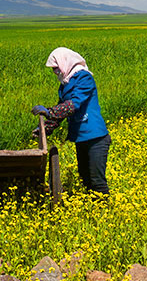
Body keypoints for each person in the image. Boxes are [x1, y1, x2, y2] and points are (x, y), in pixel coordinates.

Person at [32, 47, 111, 194]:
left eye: (56, 68)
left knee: (97, 181)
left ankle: (105, 212)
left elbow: (74, 104)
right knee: (85, 179)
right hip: (81, 137)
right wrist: (45, 128)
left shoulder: (84, 78)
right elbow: (61, 110)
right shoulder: (65, 85)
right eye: (53, 69)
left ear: (65, 62)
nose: (55, 72)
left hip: (96, 138)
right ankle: (91, 213)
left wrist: (49, 112)